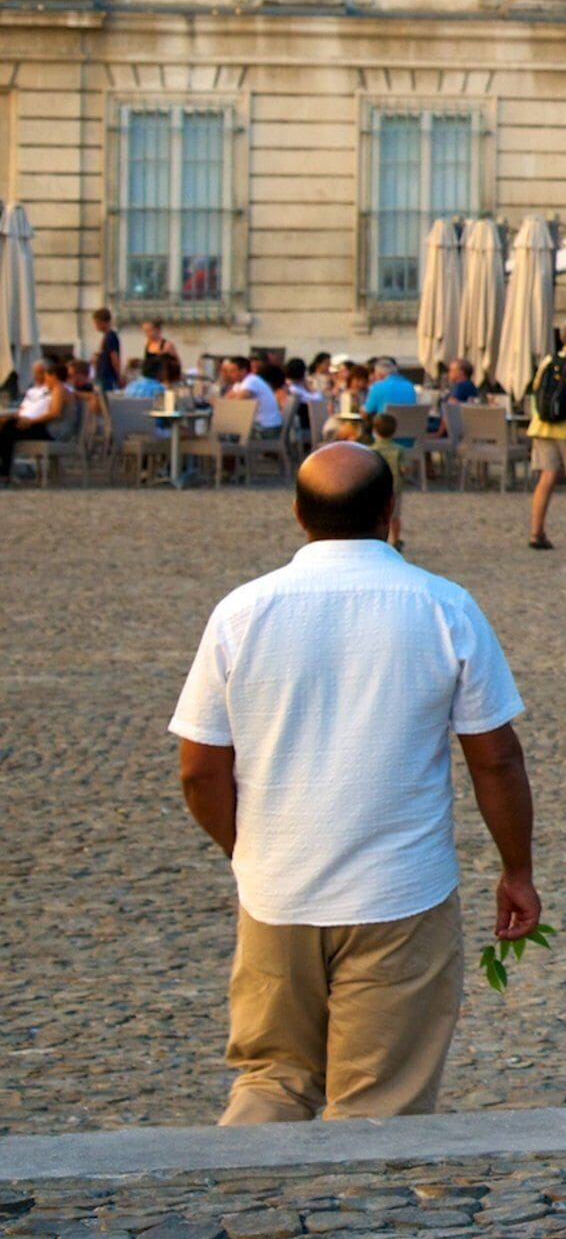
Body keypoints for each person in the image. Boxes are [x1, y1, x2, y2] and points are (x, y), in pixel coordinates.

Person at [170, 444, 537, 1121]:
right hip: (399, 893)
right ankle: (349, 1222)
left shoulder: (241, 613)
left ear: (297, 514)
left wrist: (246, 848)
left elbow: (199, 770)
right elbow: (495, 760)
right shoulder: (444, 607)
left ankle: (249, 1206)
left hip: (277, 892)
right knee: (378, 1105)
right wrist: (517, 869)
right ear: (392, 512)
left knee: (270, 1077)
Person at [522, 323, 566, 549]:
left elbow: (535, 389)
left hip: (542, 426)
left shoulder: (547, 361)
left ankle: (536, 531)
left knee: (547, 477)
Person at [0, 358, 74, 480]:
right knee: (9, 427)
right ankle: (4, 471)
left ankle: (4, 473)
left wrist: (30, 422)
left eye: (47, 377)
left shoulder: (59, 390)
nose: (46, 381)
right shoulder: (60, 389)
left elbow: (54, 413)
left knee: (9, 428)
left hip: (55, 433)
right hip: (51, 429)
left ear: (53, 376)